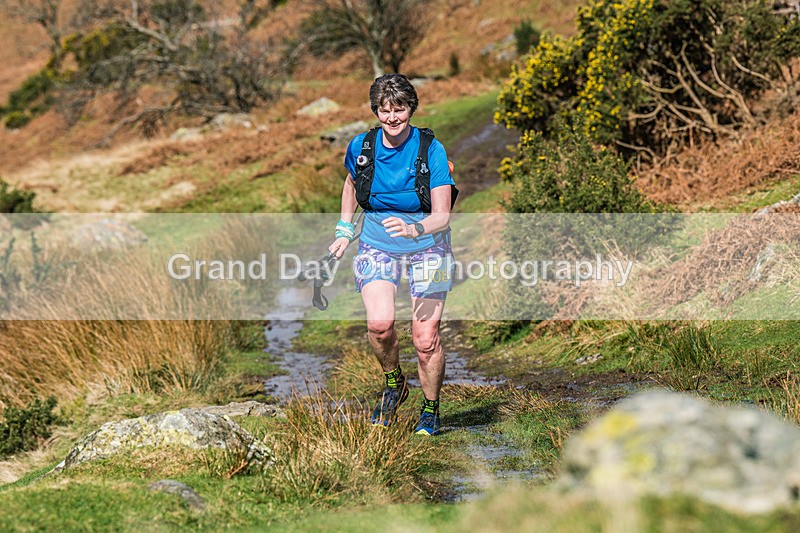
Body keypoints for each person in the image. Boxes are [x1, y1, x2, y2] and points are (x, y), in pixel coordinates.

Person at [328, 74, 457, 436]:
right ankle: (394, 384)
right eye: (384, 110)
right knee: (379, 326)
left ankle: (430, 409)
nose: (392, 117)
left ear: (411, 109)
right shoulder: (362, 146)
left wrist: (414, 228)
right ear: (376, 111)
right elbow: (351, 183)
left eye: (399, 109)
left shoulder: (431, 150)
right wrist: (344, 230)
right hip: (376, 245)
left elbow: (442, 215)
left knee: (425, 339)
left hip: (429, 247)